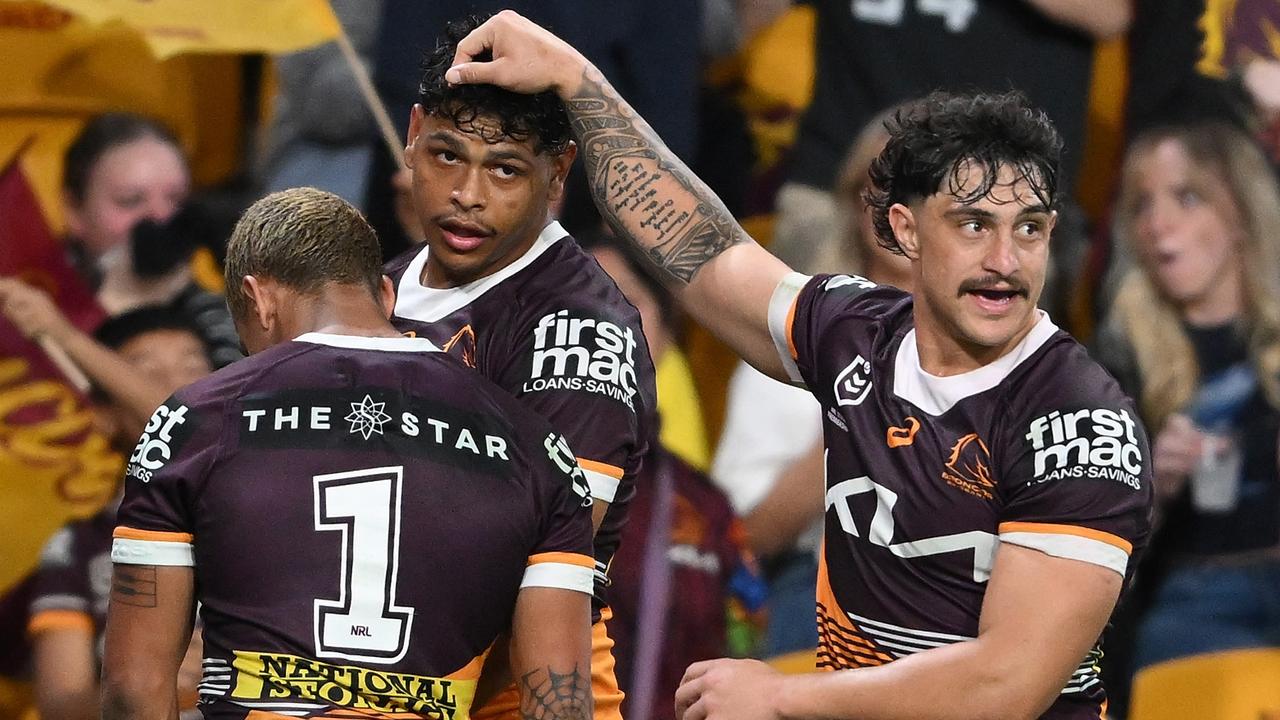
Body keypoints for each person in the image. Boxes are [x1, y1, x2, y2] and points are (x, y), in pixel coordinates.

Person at [443, 13, 1153, 719]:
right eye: (974, 224)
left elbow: (1006, 686)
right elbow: (701, 247)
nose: (1005, 262)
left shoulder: (1080, 422)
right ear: (904, 229)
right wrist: (577, 78)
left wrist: (782, 697)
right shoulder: (855, 331)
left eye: (1028, 228)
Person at [99, 188, 596, 720]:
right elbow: (561, 704)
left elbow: (135, 685)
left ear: (259, 299)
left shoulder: (193, 421)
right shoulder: (538, 447)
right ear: (385, 295)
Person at [384, 16, 657, 720]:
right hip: (383, 674)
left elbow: (544, 542)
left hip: (519, 696)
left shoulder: (580, 328)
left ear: (558, 172)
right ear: (413, 133)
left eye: (505, 168)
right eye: (446, 155)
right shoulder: (374, 290)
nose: (467, 195)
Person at [1095, 123, 1280, 678]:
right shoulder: (1114, 363)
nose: (1159, 223)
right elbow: (1082, 552)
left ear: (1240, 214)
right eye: (1142, 205)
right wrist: (1152, 486)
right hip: (1198, 591)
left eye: (1188, 197)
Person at [23, 307, 213, 720]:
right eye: (145, 373)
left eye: (194, 364)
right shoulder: (79, 546)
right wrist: (141, 688)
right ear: (103, 416)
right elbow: (60, 704)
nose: (178, 388)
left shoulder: (264, 507)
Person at [61, 113, 241, 367]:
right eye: (130, 200)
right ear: (74, 210)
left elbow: (220, 402)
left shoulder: (214, 317)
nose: (160, 218)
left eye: (176, 200)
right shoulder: (34, 288)